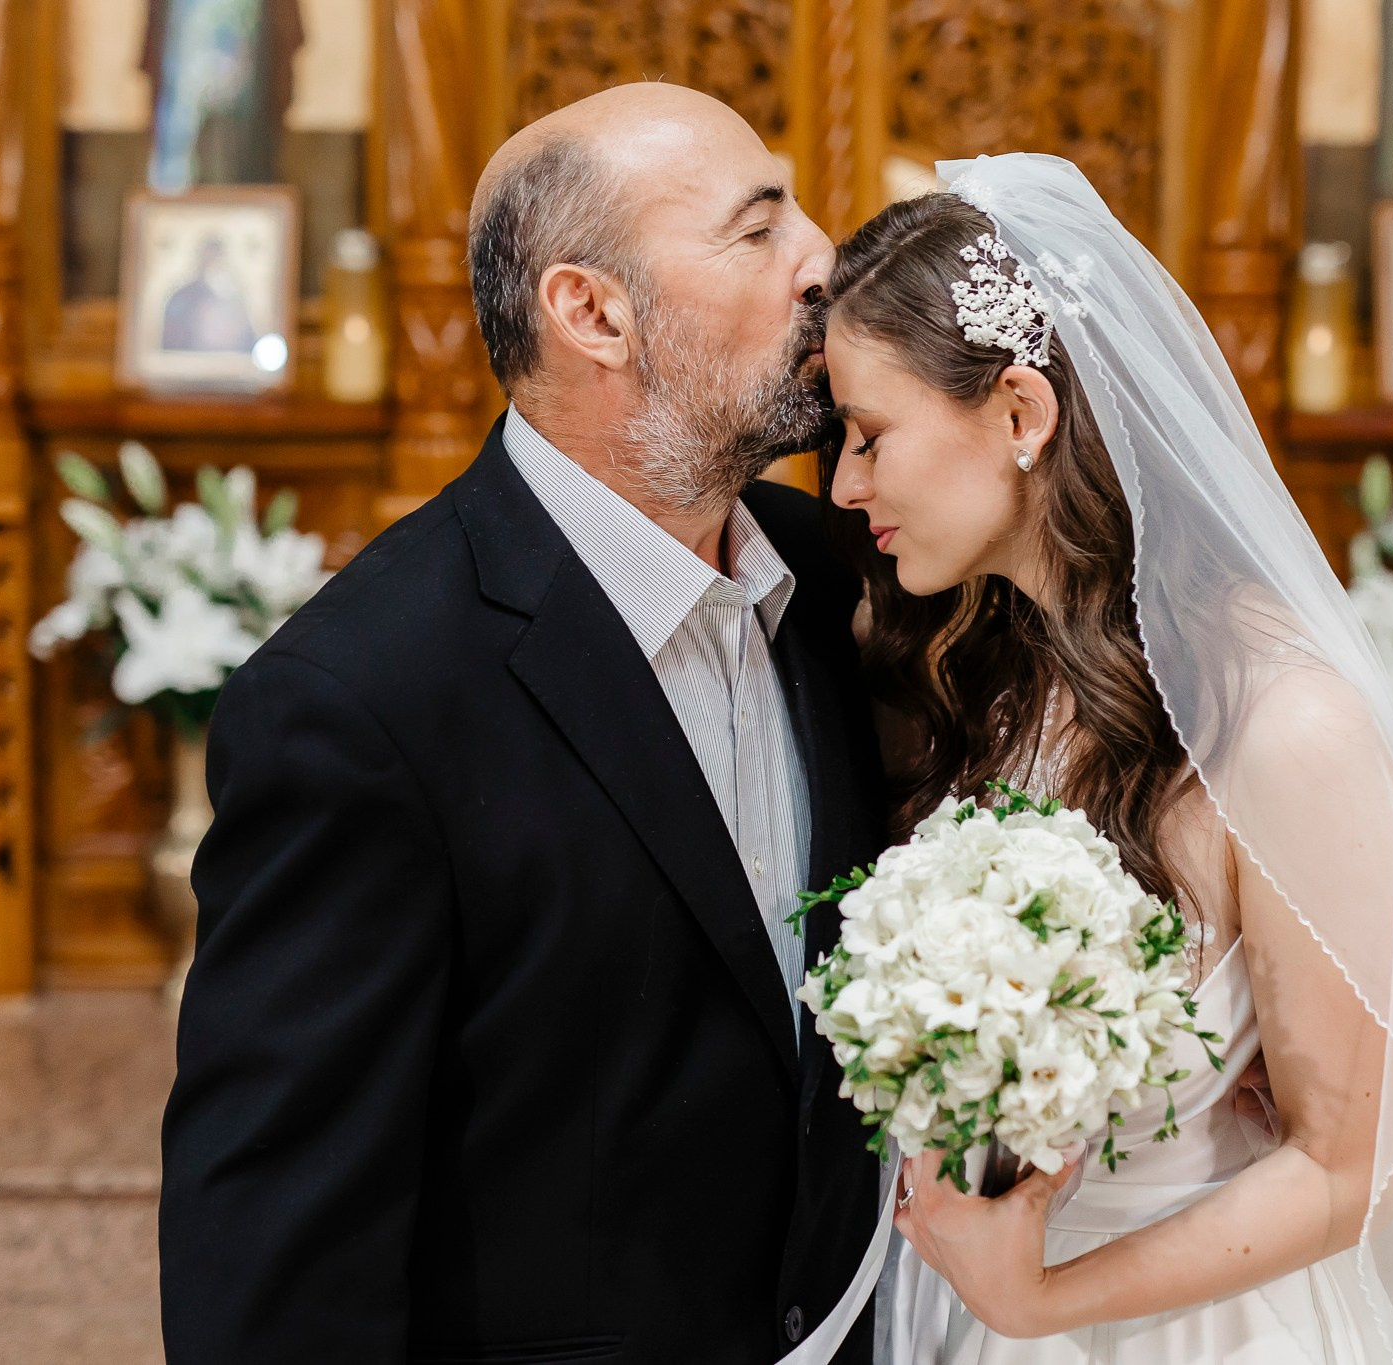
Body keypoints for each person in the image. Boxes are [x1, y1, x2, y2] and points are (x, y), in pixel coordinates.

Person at [158, 83, 884, 1363]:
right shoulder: (357, 703)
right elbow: (277, 1267)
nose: (823, 257)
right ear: (591, 313)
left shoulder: (840, 577)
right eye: (758, 225)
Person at [819, 154, 1393, 1363]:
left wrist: (1042, 1301)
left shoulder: (1280, 725)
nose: (843, 484)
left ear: (1019, 414)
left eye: (868, 435)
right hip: (967, 1315)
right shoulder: (1000, 673)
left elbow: (1347, 1165)